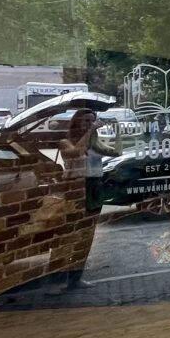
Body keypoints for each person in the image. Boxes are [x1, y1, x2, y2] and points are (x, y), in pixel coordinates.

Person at [54, 108, 112, 291]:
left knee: (86, 237)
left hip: (94, 187)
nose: (89, 124)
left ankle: (75, 278)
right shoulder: (65, 141)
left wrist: (114, 134)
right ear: (76, 122)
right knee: (70, 236)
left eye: (92, 121)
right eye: (85, 121)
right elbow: (77, 152)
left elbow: (115, 152)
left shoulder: (93, 141)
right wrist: (91, 131)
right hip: (76, 189)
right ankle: (58, 279)